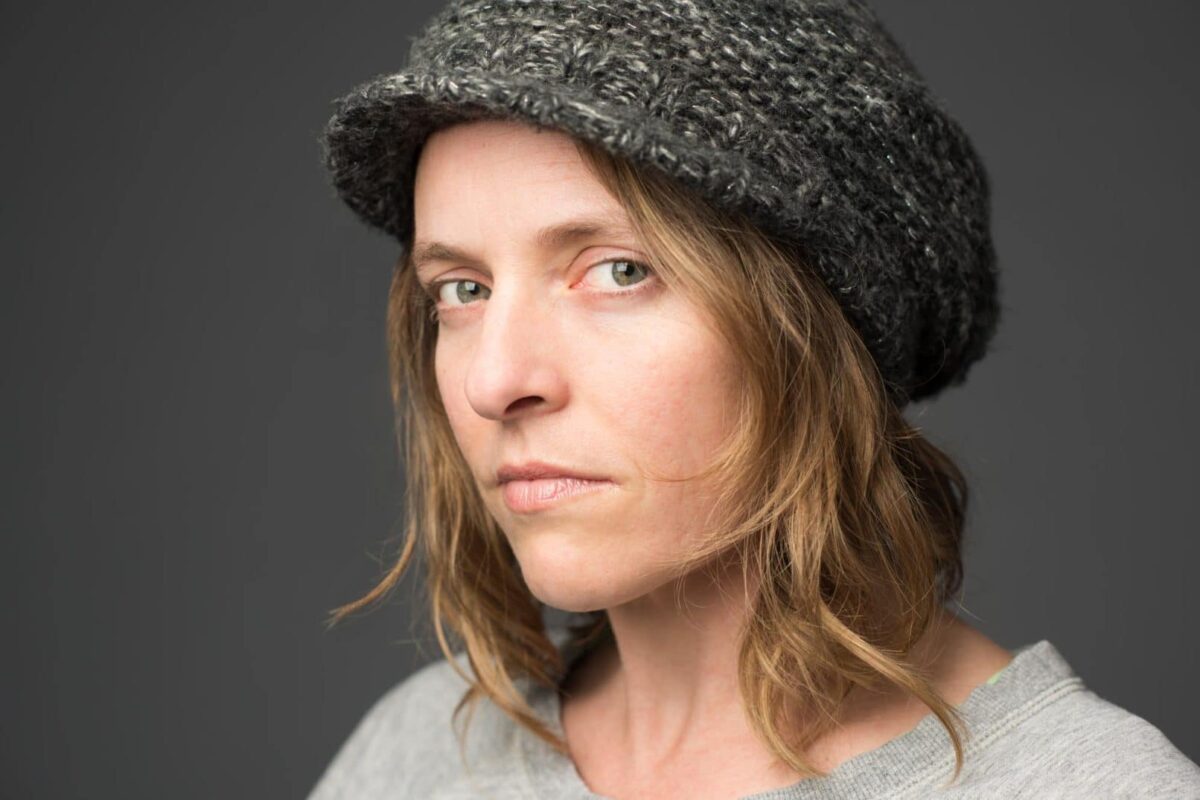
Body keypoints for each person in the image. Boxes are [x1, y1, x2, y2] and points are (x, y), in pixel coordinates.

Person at [308, 1, 1200, 797]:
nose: (494, 382)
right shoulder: (421, 751)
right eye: (461, 290)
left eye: (619, 271)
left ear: (818, 330)